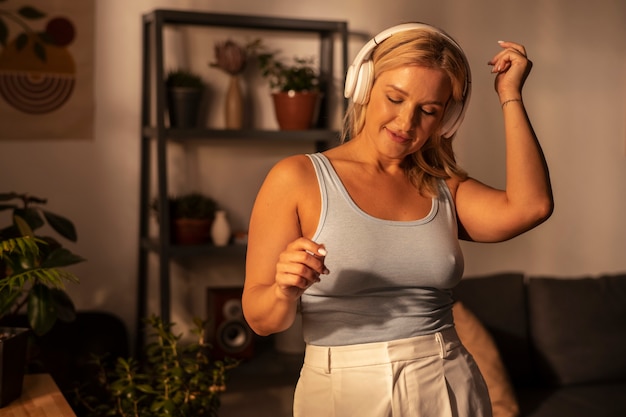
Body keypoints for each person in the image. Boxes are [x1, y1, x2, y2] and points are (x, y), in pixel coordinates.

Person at [242, 22, 553, 417]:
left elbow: (532, 207)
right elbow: (259, 320)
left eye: (428, 111)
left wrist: (510, 96)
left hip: (447, 378)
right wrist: (283, 291)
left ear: (447, 120)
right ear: (364, 86)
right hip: (342, 389)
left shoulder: (443, 188)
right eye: (395, 98)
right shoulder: (297, 179)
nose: (406, 124)